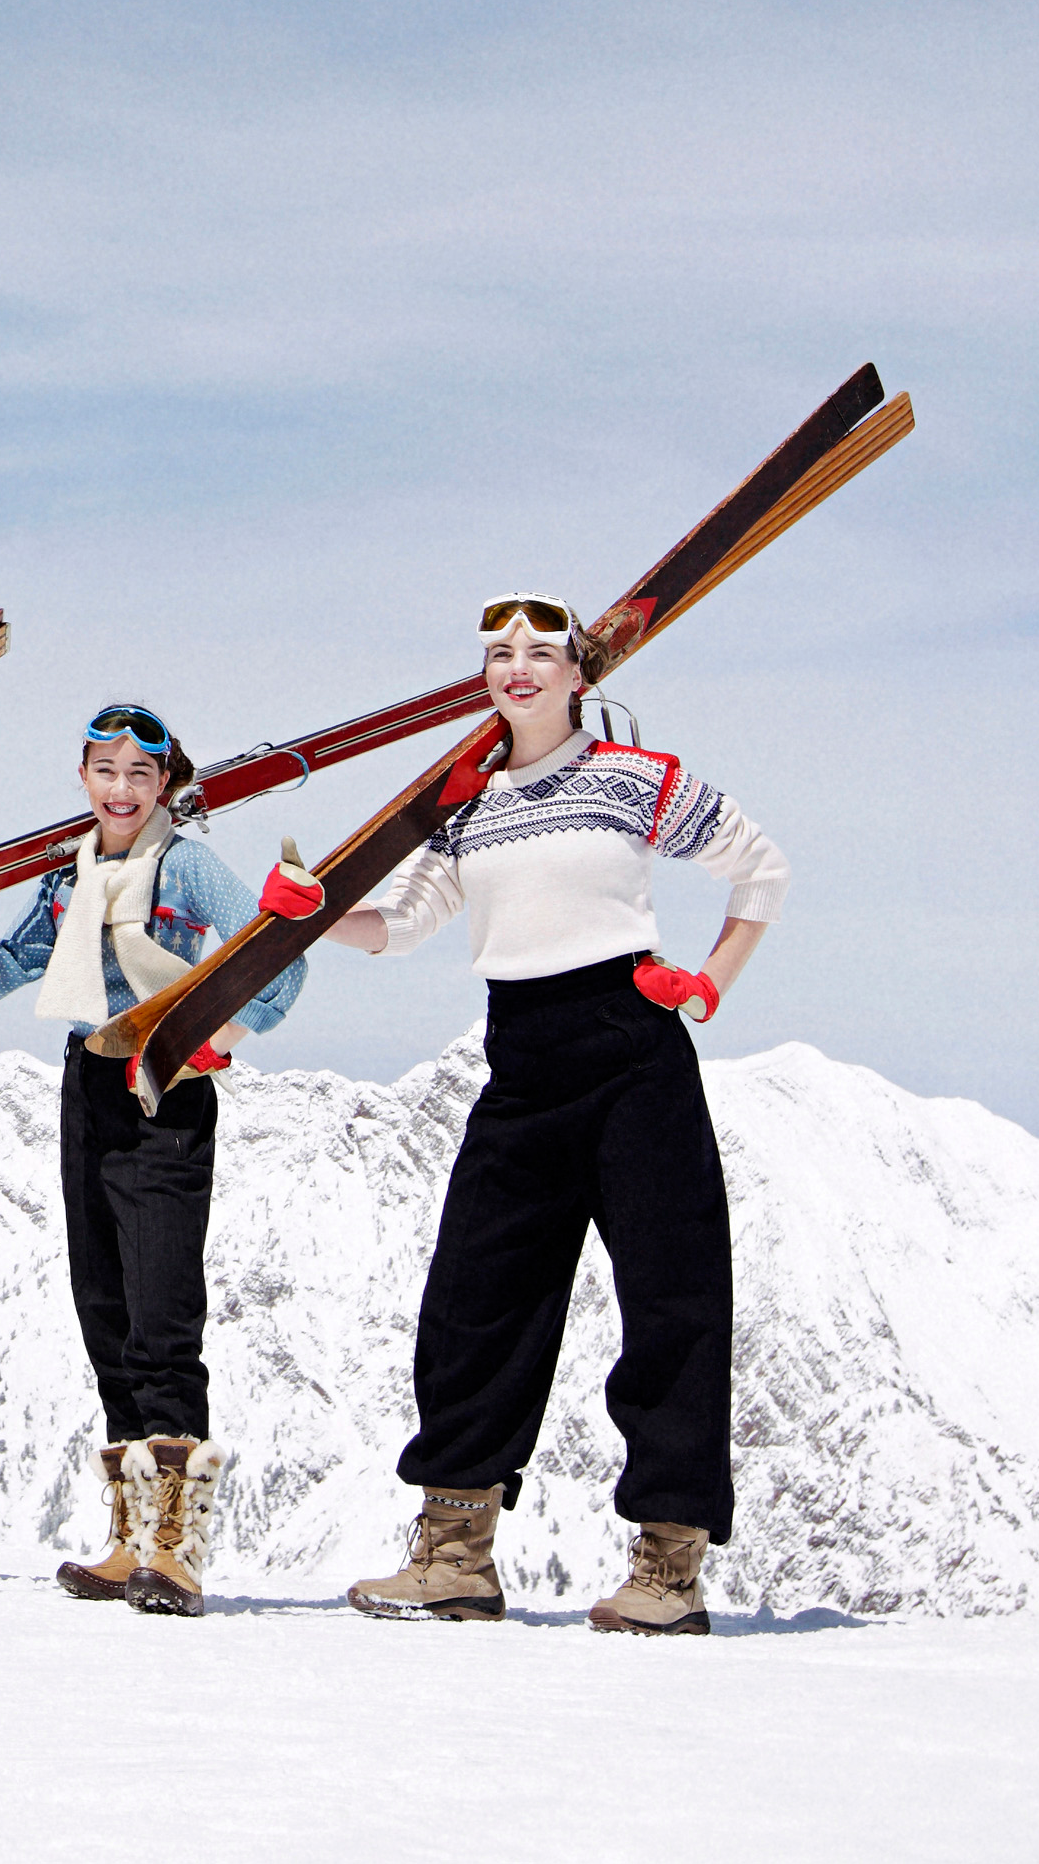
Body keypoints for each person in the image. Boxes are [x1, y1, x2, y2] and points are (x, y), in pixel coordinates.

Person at [318, 593, 787, 1635]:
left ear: (582, 674)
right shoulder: (468, 805)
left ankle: (668, 1568)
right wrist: (311, 920)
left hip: (632, 1044)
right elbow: (401, 929)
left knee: (672, 1297)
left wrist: (710, 980)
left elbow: (762, 868)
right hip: (519, 1055)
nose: (518, 667)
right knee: (474, 1298)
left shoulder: (635, 779)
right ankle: (454, 1555)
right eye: (498, 654)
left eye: (540, 652)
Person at [0, 704, 307, 1615]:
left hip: (166, 1080)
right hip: (89, 1081)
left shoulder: (188, 862)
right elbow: (2, 969)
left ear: (166, 784)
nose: (123, 788)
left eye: (140, 773)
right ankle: (132, 1533)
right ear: (83, 779)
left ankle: (176, 1545)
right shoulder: (69, 874)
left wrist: (220, 1034)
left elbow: (279, 965)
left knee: (162, 1305)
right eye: (106, 770)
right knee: (105, 1303)